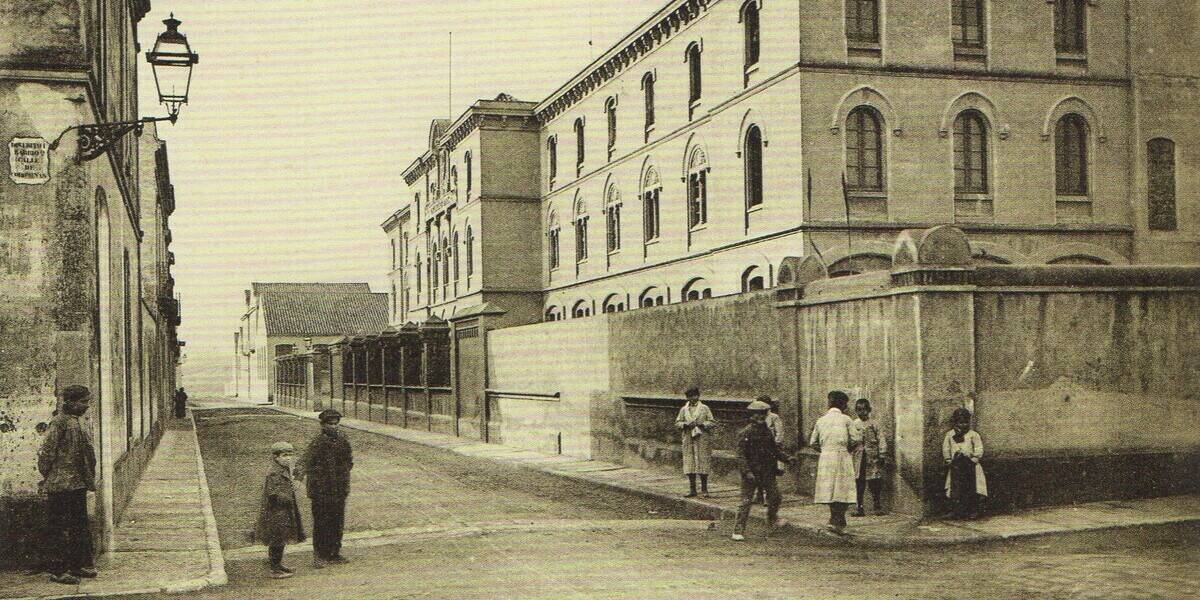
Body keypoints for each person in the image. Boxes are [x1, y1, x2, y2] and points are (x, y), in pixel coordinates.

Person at [37, 385, 98, 585]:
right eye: (83, 402)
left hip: (77, 483)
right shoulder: (59, 422)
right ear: (70, 402)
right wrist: (50, 475)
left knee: (78, 526)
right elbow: (47, 452)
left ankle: (76, 565)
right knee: (59, 527)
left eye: (87, 402)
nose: (86, 406)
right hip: (61, 484)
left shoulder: (77, 422)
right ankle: (58, 570)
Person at [297, 409, 353, 568]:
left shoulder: (343, 440)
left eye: (336, 424)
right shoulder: (317, 442)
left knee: (337, 522)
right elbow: (305, 462)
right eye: (330, 424)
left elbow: (349, 462)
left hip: (339, 490)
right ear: (322, 425)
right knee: (322, 523)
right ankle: (319, 556)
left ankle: (334, 553)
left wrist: (342, 478)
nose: (334, 427)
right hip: (321, 491)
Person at [732, 400, 791, 541]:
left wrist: (787, 459)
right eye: (757, 415)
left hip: (767, 471)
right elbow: (740, 456)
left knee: (775, 497)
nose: (761, 417)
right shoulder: (745, 433)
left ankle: (771, 519)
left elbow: (774, 451)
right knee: (746, 501)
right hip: (751, 472)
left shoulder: (767, 432)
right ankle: (738, 530)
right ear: (751, 416)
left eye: (763, 415)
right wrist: (747, 472)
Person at [809, 390, 860, 534]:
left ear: (829, 403)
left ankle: (834, 518)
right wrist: (847, 449)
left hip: (826, 457)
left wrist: (825, 450)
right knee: (842, 487)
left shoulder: (821, 420)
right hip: (842, 455)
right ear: (843, 404)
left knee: (830, 488)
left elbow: (813, 442)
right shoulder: (846, 419)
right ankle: (839, 518)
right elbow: (856, 439)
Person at [255, 441, 305, 579]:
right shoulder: (274, 472)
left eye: (290, 455)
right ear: (276, 457)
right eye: (284, 455)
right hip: (276, 511)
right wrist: (288, 497)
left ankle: (278, 564)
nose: (288, 458)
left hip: (283, 510)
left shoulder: (282, 468)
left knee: (281, 538)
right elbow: (273, 493)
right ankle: (274, 568)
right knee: (277, 539)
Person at [943, 407, 987, 519]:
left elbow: (979, 448)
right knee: (956, 489)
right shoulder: (950, 435)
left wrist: (974, 459)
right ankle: (956, 511)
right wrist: (948, 459)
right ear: (955, 422)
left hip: (971, 465)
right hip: (956, 466)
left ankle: (973, 511)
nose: (963, 425)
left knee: (973, 488)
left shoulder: (973, 435)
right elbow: (946, 448)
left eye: (965, 422)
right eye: (960, 422)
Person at [675, 387, 715, 498]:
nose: (692, 398)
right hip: (688, 438)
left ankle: (704, 490)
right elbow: (677, 422)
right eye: (690, 396)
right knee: (690, 463)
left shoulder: (704, 408)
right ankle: (692, 489)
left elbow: (712, 422)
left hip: (702, 437)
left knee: (703, 462)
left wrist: (702, 424)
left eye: (694, 395)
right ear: (687, 397)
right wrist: (685, 425)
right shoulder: (684, 409)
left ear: (698, 396)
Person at [851, 398, 887, 516]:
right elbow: (850, 440)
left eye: (865, 410)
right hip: (858, 457)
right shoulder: (853, 424)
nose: (862, 412)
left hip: (872, 457)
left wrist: (882, 454)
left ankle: (877, 506)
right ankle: (859, 507)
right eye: (859, 410)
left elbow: (881, 438)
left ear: (869, 410)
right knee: (859, 482)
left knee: (875, 481)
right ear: (856, 411)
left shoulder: (874, 424)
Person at [754, 395, 785, 504]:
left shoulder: (774, 417)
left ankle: (768, 497)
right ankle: (759, 495)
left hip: (769, 449)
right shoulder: (756, 417)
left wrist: (774, 445)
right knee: (758, 472)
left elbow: (779, 433)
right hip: (758, 449)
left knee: (769, 474)